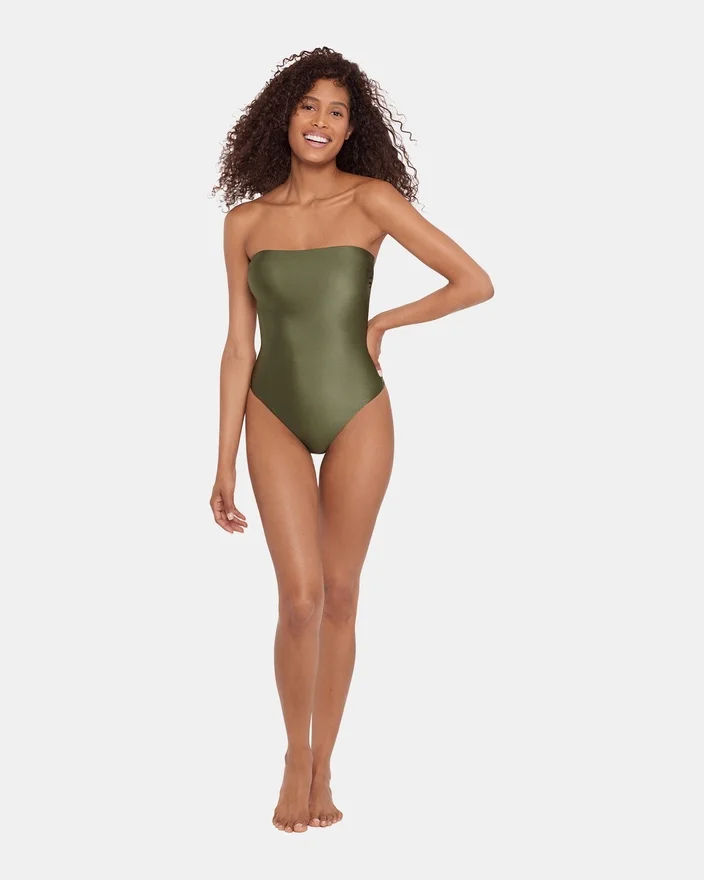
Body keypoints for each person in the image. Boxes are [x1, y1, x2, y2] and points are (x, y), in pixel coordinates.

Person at [209, 47, 494, 834]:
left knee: (339, 594)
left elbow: (474, 281)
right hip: (272, 409)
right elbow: (238, 347)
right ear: (284, 115)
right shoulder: (245, 222)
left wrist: (383, 322)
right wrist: (222, 460)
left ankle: (324, 763)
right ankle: (293, 756)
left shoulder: (372, 201)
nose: (321, 122)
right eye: (309, 106)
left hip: (358, 410)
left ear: (351, 128)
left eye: (337, 111)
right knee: (298, 598)